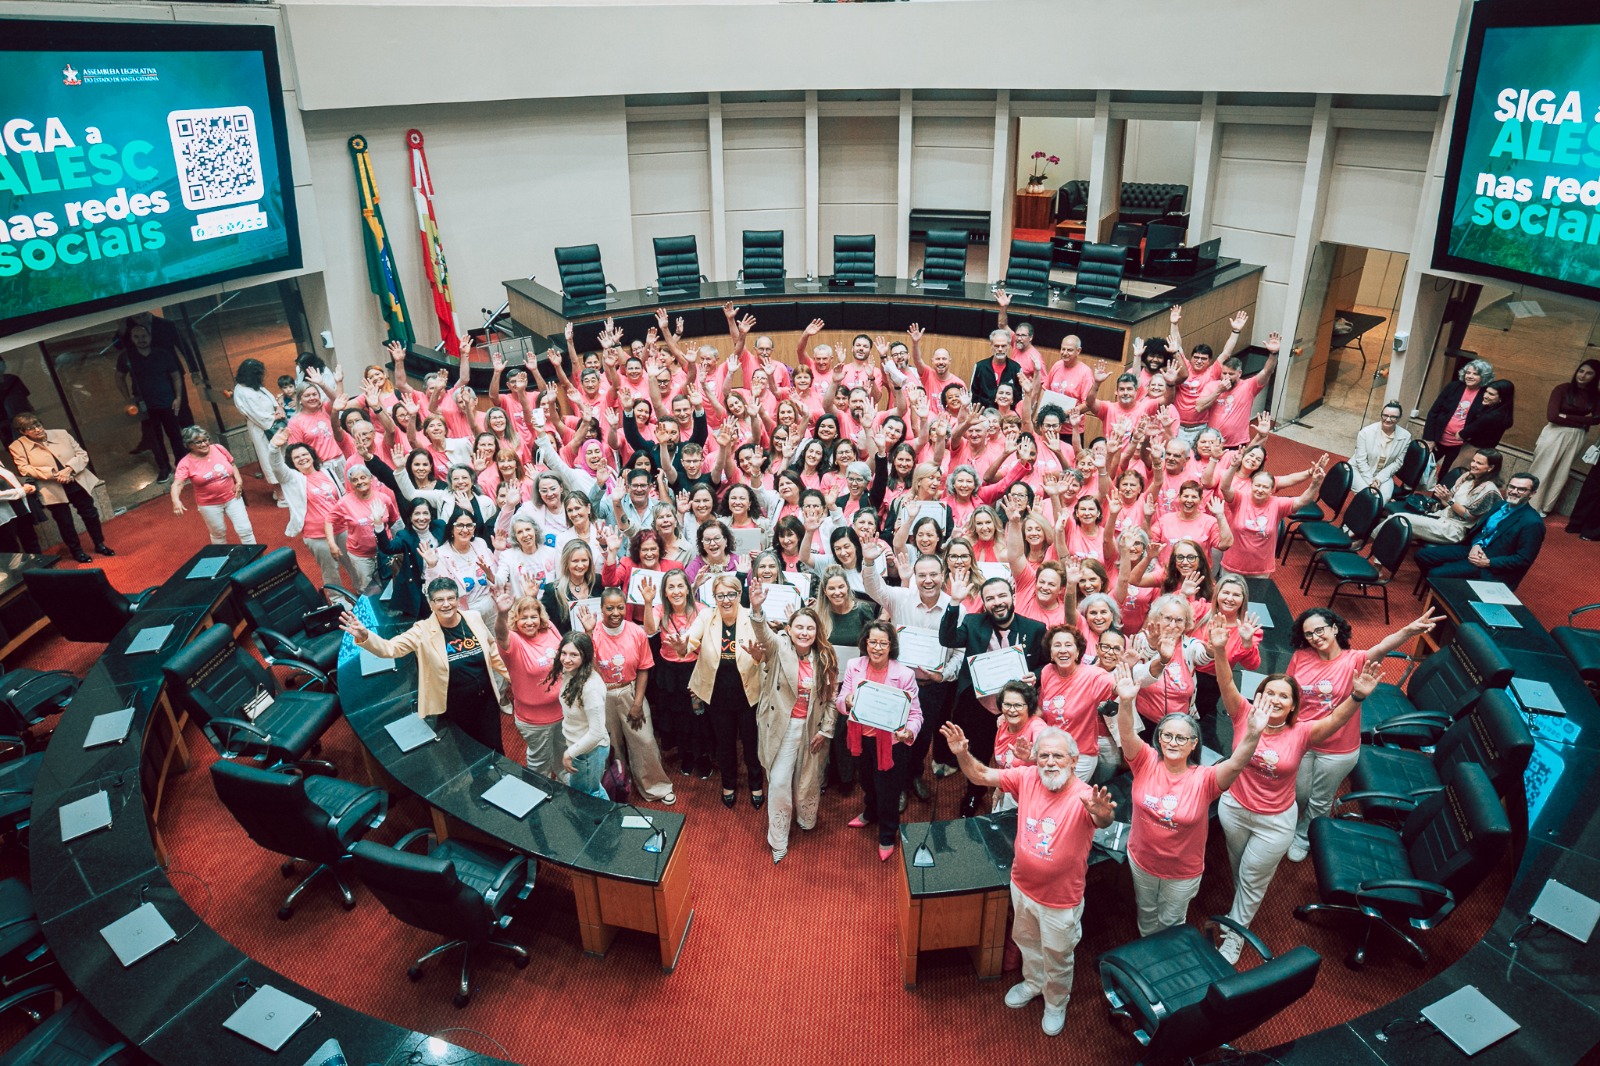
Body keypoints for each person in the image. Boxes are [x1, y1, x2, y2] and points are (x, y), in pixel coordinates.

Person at [1212, 632, 1380, 963]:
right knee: (1240, 869)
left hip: (1274, 821)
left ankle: (1235, 934)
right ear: (1258, 696)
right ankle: (1243, 904)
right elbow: (1226, 681)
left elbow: (1334, 720)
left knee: (1252, 877)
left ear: (1293, 706)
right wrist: (1220, 650)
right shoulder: (1242, 715)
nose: (1275, 699)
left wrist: (1357, 697)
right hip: (1234, 809)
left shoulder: (1303, 731)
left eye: (1283, 696)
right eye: (1269, 692)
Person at [939, 720, 1116, 1036]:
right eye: (1044, 756)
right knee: (1027, 942)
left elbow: (1101, 819)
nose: (1050, 762)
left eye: (1058, 757)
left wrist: (1103, 813)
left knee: (1058, 955)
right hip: (1022, 886)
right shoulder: (1028, 777)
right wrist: (962, 753)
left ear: (1074, 761)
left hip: (1061, 902)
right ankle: (1033, 983)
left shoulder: (1085, 795)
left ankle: (1055, 1001)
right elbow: (981, 775)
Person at [1112, 651, 1266, 936]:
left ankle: (1165, 958)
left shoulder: (1205, 778)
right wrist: (1126, 701)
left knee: (1171, 921)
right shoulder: (1145, 761)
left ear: (1193, 743)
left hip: (1181, 871)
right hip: (1142, 860)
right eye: (1167, 735)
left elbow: (1236, 763)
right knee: (1145, 913)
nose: (1173, 742)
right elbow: (1127, 735)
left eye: (1181, 737)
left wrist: (1254, 734)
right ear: (1158, 739)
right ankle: (1147, 950)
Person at [1284, 605, 1439, 861]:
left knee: (1320, 798)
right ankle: (1292, 825)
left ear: (1334, 628)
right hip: (1303, 738)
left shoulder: (1354, 659)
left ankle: (1304, 836)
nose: (1315, 637)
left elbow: (1382, 647)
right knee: (1298, 792)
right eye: (1309, 633)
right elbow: (1289, 689)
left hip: (1337, 748)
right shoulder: (1301, 656)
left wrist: (1409, 631)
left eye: (1320, 629)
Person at [341, 578, 509, 752]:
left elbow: (492, 651)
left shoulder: (473, 618)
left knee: (495, 745)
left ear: (458, 600)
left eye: (451, 598)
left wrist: (515, 678)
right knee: (469, 749)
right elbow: (389, 649)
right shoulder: (422, 630)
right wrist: (365, 635)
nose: (446, 604)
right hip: (456, 703)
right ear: (430, 604)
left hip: (486, 698)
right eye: (439, 600)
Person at [939, 572, 1049, 816]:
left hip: (1018, 710)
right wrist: (955, 602)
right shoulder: (973, 623)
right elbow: (947, 639)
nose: (997, 602)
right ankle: (974, 793)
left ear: (1012, 597)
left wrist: (1037, 676)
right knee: (978, 750)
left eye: (1002, 596)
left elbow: (1047, 663)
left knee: (1016, 755)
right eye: (990, 598)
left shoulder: (1035, 629)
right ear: (985, 603)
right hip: (981, 705)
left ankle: (1014, 793)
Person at [746, 584, 838, 863]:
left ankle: (806, 819)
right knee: (779, 783)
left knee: (808, 781)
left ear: (817, 631)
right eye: (799, 627)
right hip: (782, 730)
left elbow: (831, 698)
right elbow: (762, 633)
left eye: (810, 628)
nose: (804, 632)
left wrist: (826, 729)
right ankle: (778, 838)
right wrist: (758, 608)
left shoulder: (826, 656)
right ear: (789, 628)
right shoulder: (778, 647)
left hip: (811, 730)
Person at [670, 572, 765, 809]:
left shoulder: (751, 617)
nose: (725, 600)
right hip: (717, 693)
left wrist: (758, 656)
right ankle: (729, 783)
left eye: (731, 594)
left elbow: (764, 654)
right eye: (720, 595)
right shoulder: (706, 616)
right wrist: (683, 645)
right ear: (714, 597)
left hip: (748, 692)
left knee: (752, 743)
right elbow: (689, 642)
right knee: (724, 743)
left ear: (739, 594)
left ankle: (756, 784)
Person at [576, 588, 676, 805]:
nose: (615, 612)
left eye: (620, 607)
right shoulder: (593, 633)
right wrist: (589, 633)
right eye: (609, 608)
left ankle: (655, 787)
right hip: (602, 695)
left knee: (644, 739)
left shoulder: (636, 632)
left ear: (626, 607)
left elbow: (643, 668)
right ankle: (619, 783)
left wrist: (638, 702)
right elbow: (589, 670)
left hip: (630, 691)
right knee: (612, 743)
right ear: (601, 609)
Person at [835, 620, 922, 860]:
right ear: (865, 642)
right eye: (872, 641)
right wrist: (848, 701)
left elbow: (915, 714)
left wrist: (909, 732)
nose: (877, 647)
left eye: (883, 643)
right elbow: (840, 701)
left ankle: (887, 833)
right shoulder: (854, 665)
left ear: (891, 646)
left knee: (888, 790)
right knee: (866, 781)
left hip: (891, 745)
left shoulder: (904, 674)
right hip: (860, 740)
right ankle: (869, 812)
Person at [9, 413, 112, 563]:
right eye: (31, 428)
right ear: (23, 432)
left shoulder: (61, 433)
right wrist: (54, 474)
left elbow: (82, 454)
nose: (38, 429)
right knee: (65, 522)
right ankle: (77, 552)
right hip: (52, 487)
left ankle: (100, 544)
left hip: (75, 481)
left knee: (90, 513)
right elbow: (24, 468)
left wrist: (69, 469)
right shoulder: (17, 446)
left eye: (38, 425)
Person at [1414, 472, 1546, 588]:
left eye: (1521, 489)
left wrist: (1488, 562)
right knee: (1422, 556)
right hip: (1473, 550)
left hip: (1490, 565)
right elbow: (1481, 530)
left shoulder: (1532, 523)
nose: (1514, 491)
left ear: (1532, 494)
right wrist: (1476, 544)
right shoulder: (1500, 505)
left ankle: (1445, 589)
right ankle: (1443, 588)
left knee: (1436, 573)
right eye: (1512, 487)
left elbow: (1523, 560)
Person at [491, 586, 564, 778]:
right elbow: (500, 634)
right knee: (540, 765)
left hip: (563, 712)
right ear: (516, 620)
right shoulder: (513, 641)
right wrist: (501, 614)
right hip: (535, 720)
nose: (530, 622)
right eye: (524, 618)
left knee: (564, 759)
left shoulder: (549, 629)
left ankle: (569, 797)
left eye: (533, 617)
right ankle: (541, 799)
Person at [115, 318, 186, 483]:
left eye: (144, 336)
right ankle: (164, 468)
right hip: (145, 407)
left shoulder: (162, 354)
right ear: (132, 339)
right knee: (155, 439)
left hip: (167, 402)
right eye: (137, 336)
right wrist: (129, 401)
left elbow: (176, 376)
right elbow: (119, 378)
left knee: (175, 435)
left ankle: (182, 466)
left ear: (150, 336)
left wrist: (178, 398)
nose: (141, 340)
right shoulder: (126, 357)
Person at [1528, 360, 1600, 516]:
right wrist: (1582, 420)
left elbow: (1596, 419)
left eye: (1589, 373)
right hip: (1555, 432)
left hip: (1578, 436)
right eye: (1581, 371)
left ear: (1595, 376)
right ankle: (1529, 504)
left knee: (1562, 471)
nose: (1583, 375)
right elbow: (1553, 416)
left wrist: (1567, 415)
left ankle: (1546, 506)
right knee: (1542, 466)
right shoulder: (1563, 389)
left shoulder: (1596, 395)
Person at [1391, 448, 1503, 545]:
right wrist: (1444, 498)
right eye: (1473, 461)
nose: (1473, 465)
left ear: (1490, 467)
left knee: (1399, 519)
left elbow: (1468, 516)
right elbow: (1446, 505)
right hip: (1441, 517)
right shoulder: (1468, 477)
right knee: (1397, 524)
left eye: (1479, 463)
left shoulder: (1489, 490)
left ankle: (1379, 554)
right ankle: (1380, 555)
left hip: (1455, 530)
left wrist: (1449, 500)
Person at [170, 426, 254, 545]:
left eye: (206, 440)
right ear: (189, 445)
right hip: (209, 504)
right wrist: (176, 501)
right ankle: (221, 559)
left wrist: (239, 482)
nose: (204, 444)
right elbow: (177, 484)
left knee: (245, 529)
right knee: (218, 533)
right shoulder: (185, 463)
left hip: (233, 497)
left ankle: (257, 559)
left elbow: (232, 465)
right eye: (199, 442)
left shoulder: (219, 448)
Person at [550, 630, 610, 797]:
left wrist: (570, 753)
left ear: (585, 657)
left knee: (589, 795)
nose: (566, 659)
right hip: (580, 747)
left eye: (574, 655)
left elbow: (596, 733)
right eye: (564, 653)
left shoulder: (591, 688)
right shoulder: (571, 672)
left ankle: (606, 822)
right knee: (592, 789)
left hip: (589, 752)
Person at [1421, 358, 1494, 471]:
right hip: (1438, 440)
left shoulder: (1485, 395)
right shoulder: (1453, 387)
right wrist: (1429, 439)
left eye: (1475, 374)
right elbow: (1434, 412)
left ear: (1484, 377)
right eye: (1468, 372)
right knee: (1420, 469)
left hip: (1459, 446)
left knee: (1446, 477)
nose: (1469, 376)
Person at [231, 358, 285, 506]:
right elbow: (258, 416)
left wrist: (278, 407)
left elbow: (269, 397)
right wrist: (274, 417)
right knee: (269, 460)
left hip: (274, 422)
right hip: (262, 428)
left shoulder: (254, 385)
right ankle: (281, 495)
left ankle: (283, 489)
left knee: (282, 456)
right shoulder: (242, 391)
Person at [1349, 402, 1413, 504]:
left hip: (1383, 473)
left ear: (1399, 418)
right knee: (1369, 496)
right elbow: (1360, 461)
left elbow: (1398, 462)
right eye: (1385, 415)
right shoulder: (1366, 432)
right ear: (1381, 415)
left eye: (1393, 417)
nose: (1388, 419)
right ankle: (1357, 518)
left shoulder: (1406, 436)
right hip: (1359, 470)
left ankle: (1374, 517)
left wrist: (1379, 479)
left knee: (1384, 498)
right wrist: (1371, 482)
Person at [970, 328, 1023, 411]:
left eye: (1003, 346)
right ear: (991, 346)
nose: (1000, 349)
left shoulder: (1016, 368)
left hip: (1007, 418)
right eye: (997, 346)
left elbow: (1019, 397)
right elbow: (973, 395)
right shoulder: (980, 367)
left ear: (1009, 346)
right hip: (984, 415)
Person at [0, 463, 40, 555]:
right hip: (4, 517)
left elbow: (12, 479)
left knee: (31, 541)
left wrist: (26, 485)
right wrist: (21, 491)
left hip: (20, 508)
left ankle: (41, 567)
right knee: (10, 549)